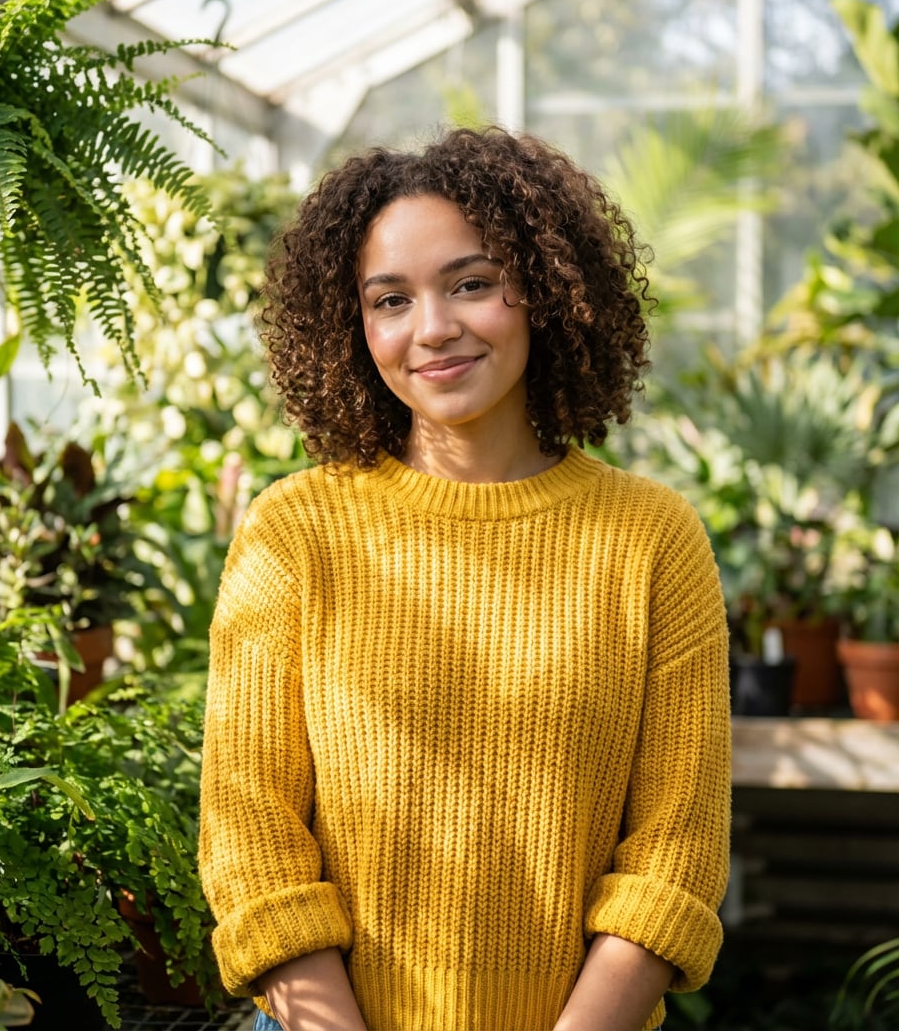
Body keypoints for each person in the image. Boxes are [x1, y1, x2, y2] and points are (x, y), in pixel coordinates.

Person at [199, 126, 731, 1031]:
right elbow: (253, 838)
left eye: (471, 284)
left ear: (547, 293)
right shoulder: (297, 532)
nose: (432, 328)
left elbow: (674, 854)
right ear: (352, 325)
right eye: (390, 300)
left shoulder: (651, 538)